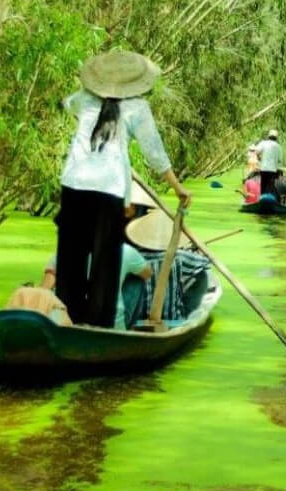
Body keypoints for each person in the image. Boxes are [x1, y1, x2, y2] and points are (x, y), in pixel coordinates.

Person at [56, 50, 190, 327]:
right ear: (134, 83)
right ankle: (98, 327)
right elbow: (154, 152)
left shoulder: (84, 99)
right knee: (106, 263)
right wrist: (177, 188)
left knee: (70, 259)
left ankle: (67, 320)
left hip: (74, 183)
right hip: (109, 189)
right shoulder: (137, 108)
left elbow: (64, 104)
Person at [254, 129, 282, 197]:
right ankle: (268, 199)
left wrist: (259, 157)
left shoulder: (263, 143)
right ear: (276, 138)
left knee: (263, 186)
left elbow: (256, 151)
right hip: (273, 171)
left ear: (268, 136)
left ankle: (262, 198)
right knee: (270, 187)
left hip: (263, 169)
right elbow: (280, 160)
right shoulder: (278, 147)